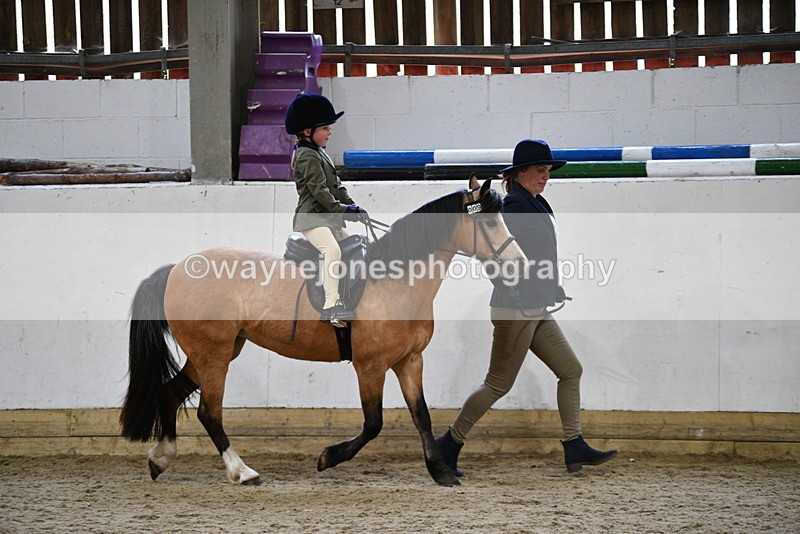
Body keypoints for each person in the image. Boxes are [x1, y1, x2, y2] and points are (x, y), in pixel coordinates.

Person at [436, 139, 617, 474]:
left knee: (570, 370)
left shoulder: (536, 202)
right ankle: (447, 446)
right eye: (539, 170)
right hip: (515, 309)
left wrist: (550, 285)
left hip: (537, 307)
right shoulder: (514, 207)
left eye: (547, 171)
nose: (545, 177)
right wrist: (509, 287)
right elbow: (490, 255)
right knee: (498, 385)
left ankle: (574, 445)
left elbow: (538, 254)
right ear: (519, 173)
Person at [284, 93, 366, 327]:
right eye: (326, 128)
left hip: (328, 219)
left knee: (355, 248)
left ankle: (352, 297)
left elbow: (337, 186)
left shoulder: (320, 153)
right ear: (308, 131)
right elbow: (320, 192)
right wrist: (342, 210)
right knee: (333, 252)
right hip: (311, 219)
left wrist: (352, 206)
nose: (330, 132)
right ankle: (331, 306)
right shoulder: (306, 156)